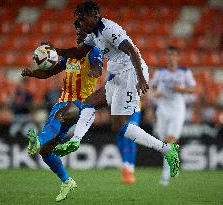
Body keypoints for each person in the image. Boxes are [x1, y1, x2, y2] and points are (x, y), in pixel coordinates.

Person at [53, 1, 180, 178]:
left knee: (119, 127)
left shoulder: (109, 29)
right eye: (79, 20)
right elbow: (78, 53)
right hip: (117, 74)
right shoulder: (92, 34)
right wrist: (55, 50)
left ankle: (167, 150)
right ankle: (75, 140)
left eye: (82, 19)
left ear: (94, 15)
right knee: (89, 102)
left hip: (130, 73)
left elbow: (132, 51)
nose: (80, 23)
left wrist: (141, 79)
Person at [21, 20, 103, 202]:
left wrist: (95, 72)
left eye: (83, 34)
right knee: (45, 151)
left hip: (83, 104)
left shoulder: (94, 52)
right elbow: (49, 73)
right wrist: (32, 73)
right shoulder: (71, 56)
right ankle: (67, 181)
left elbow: (98, 68)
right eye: (78, 34)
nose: (80, 37)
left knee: (61, 116)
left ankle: (37, 141)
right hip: (62, 102)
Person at [151, 46, 196, 185]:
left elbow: (193, 89)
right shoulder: (160, 72)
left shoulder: (184, 72)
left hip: (177, 109)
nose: (171, 58)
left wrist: (181, 89)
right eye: (169, 55)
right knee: (163, 143)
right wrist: (156, 93)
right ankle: (173, 161)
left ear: (178, 57)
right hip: (162, 109)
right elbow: (152, 87)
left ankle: (165, 175)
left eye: (173, 55)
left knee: (170, 140)